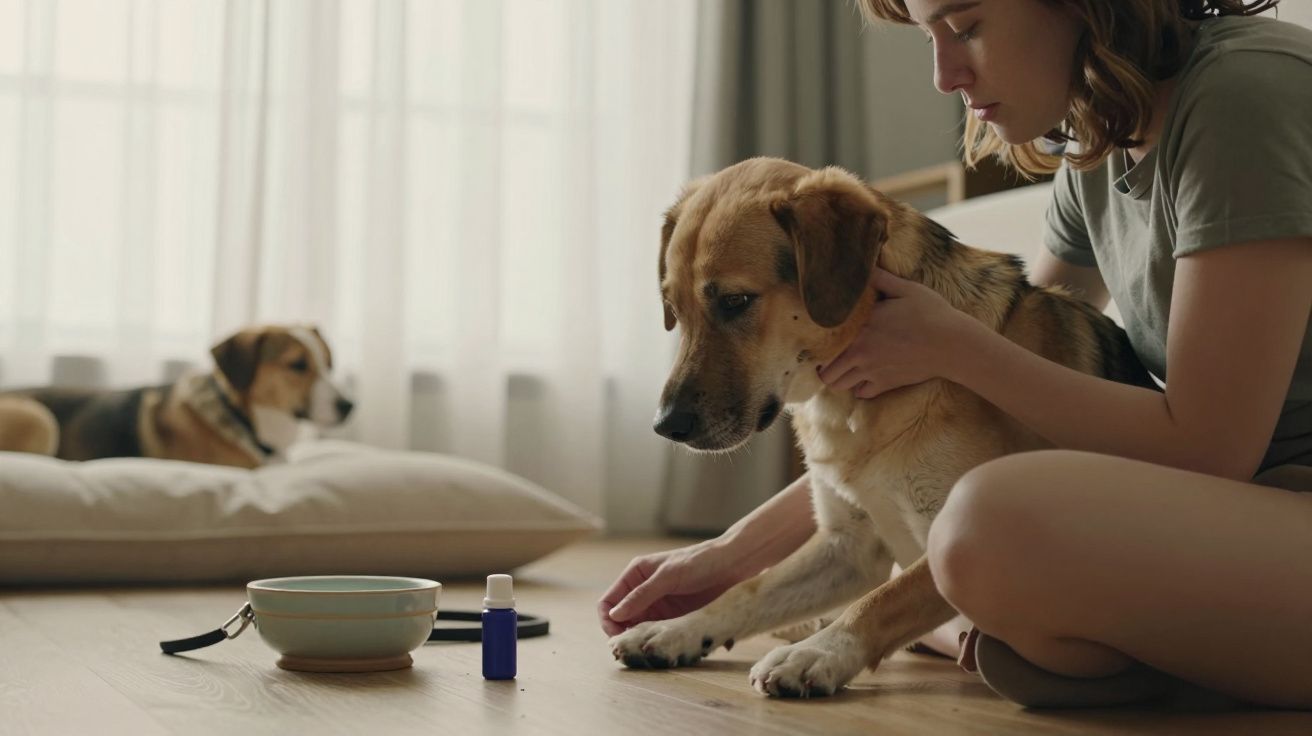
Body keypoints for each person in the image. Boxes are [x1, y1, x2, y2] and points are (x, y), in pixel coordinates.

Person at [600, 0, 1312, 709]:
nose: (943, 75)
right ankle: (1037, 634)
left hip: (1275, 498)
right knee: (974, 553)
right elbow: (1007, 384)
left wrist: (954, 345)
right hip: (1233, 510)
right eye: (926, 35)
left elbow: (1213, 447)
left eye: (966, 26)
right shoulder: (1101, 138)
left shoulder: (1239, 97)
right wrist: (727, 556)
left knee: (981, 528)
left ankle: (1019, 632)